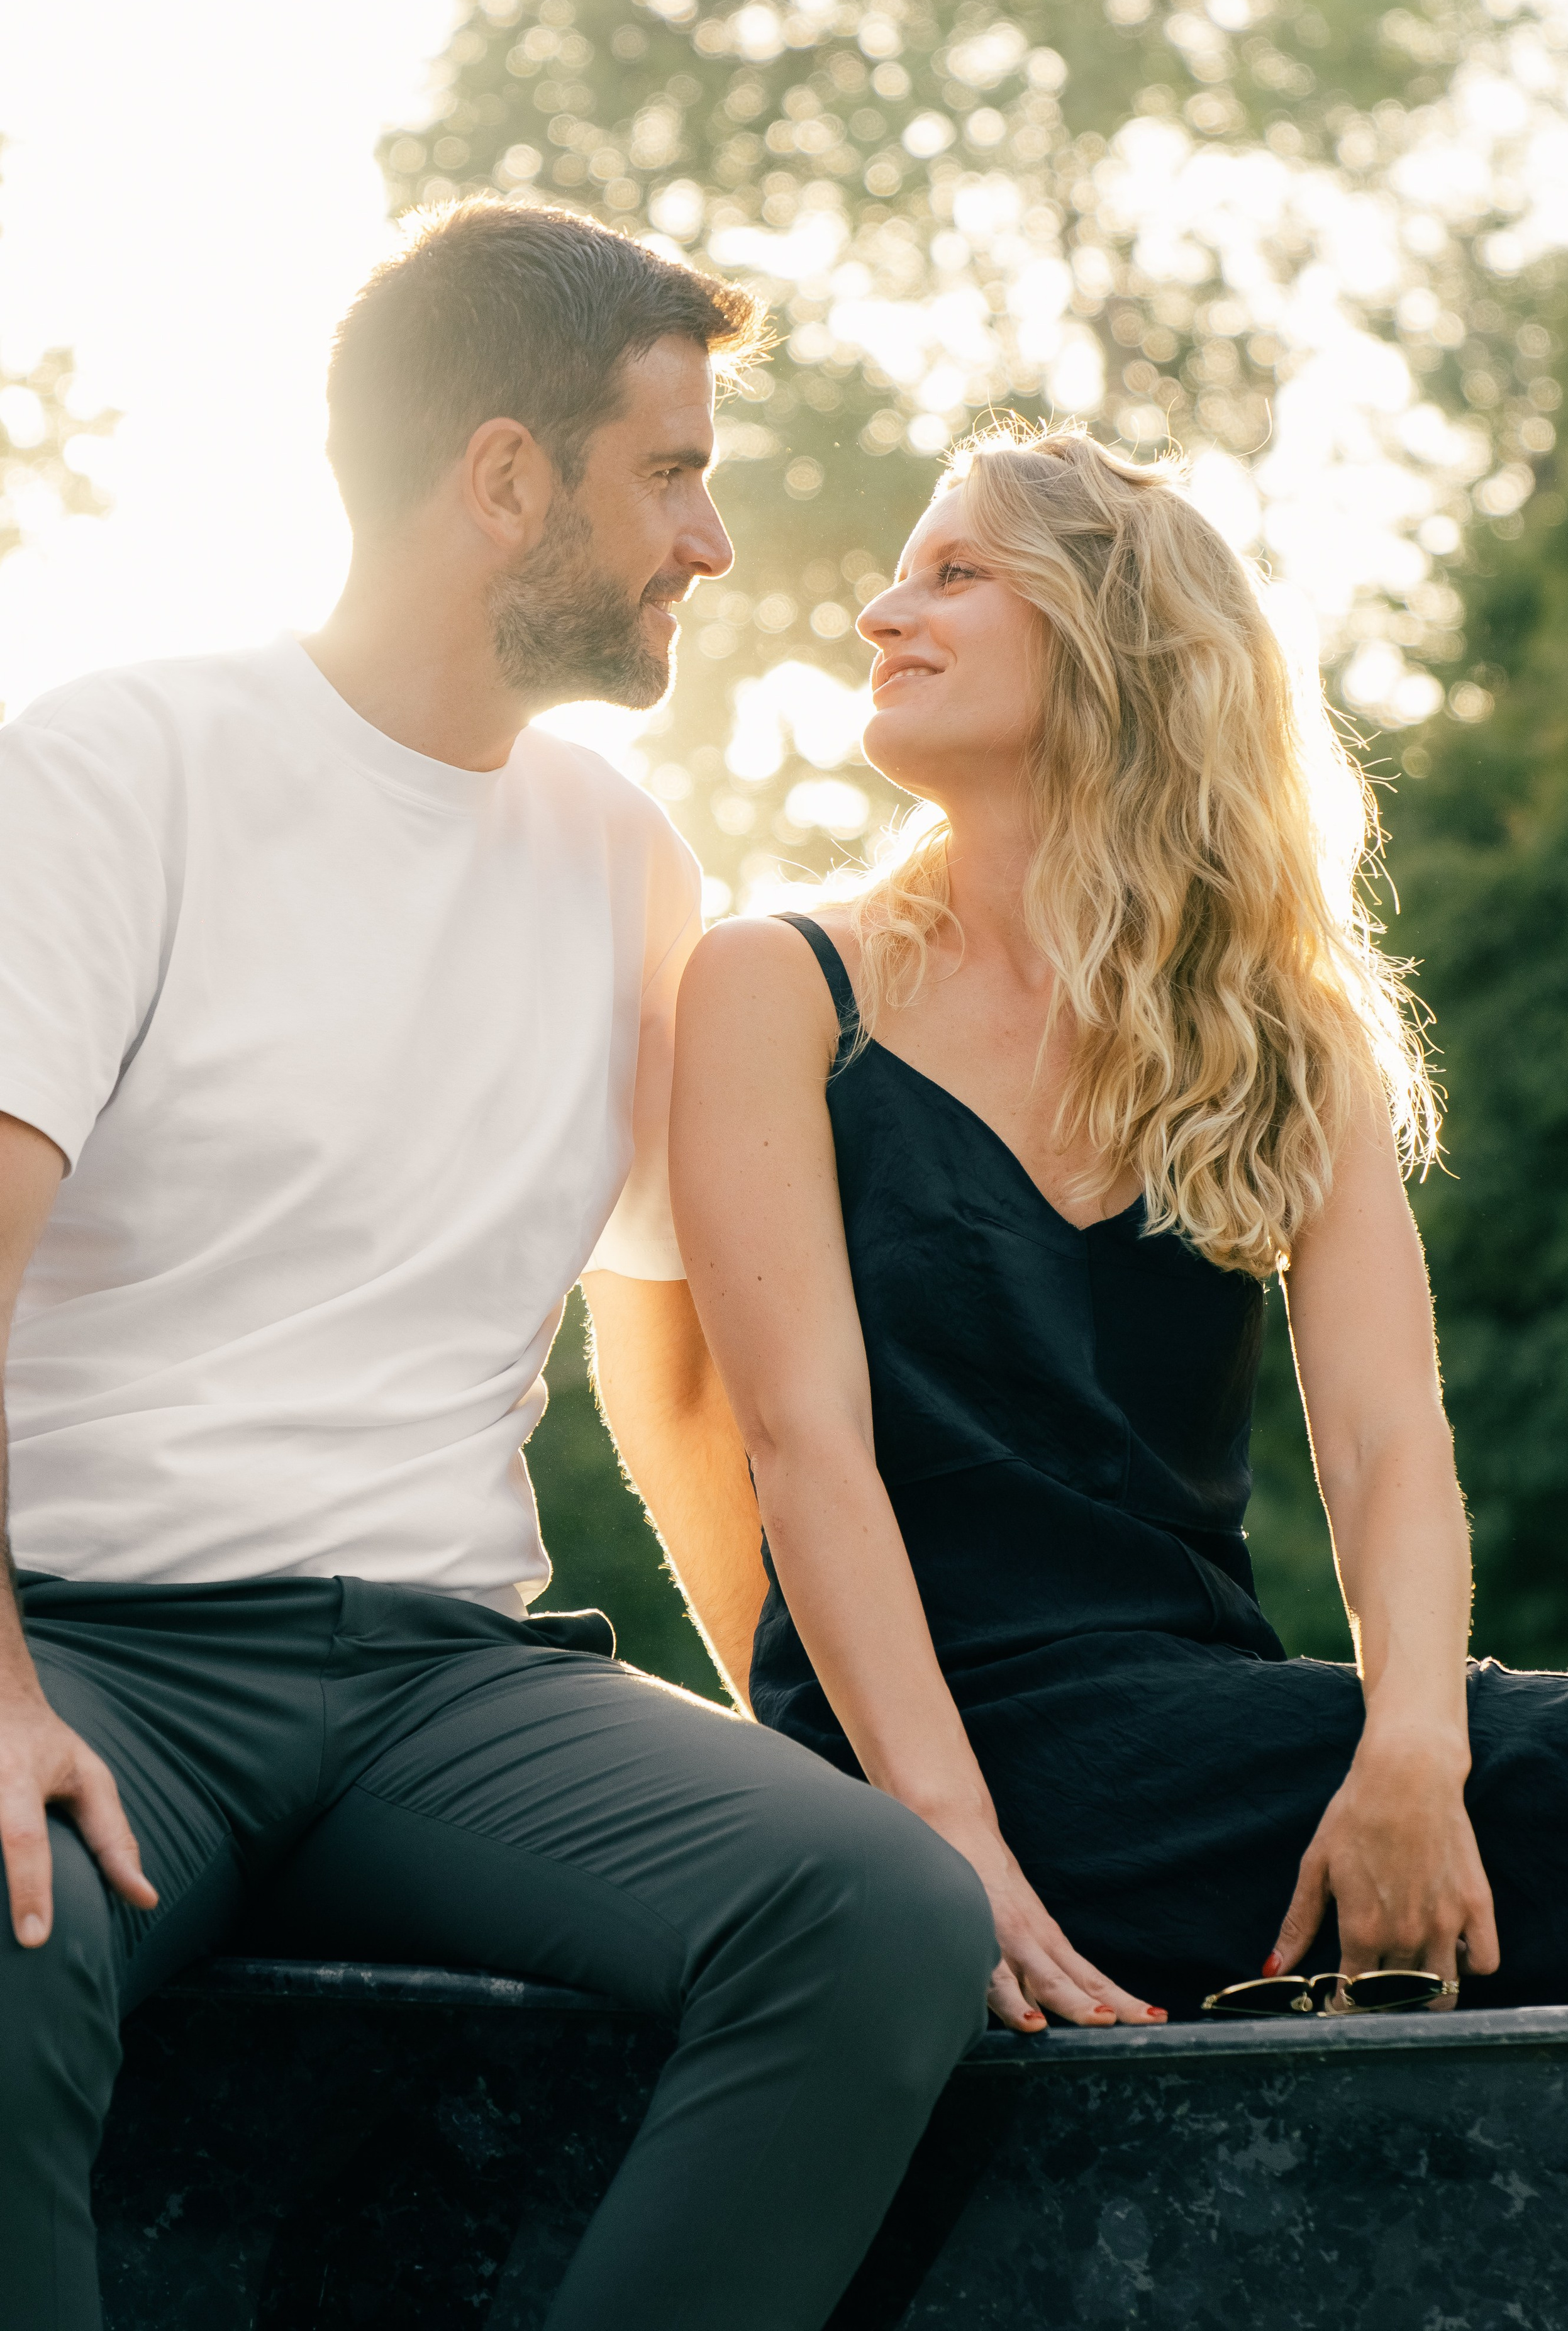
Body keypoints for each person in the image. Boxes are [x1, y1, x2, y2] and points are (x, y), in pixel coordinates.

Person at [0, 199, 998, 2331]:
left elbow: (673, 1371)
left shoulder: (626, 858)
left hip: (454, 1683)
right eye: (672, 470)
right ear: (506, 478)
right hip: (96, 1644)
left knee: (880, 1909)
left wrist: (786, 1723)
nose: (712, 542)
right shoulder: (116, 768)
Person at [671, 421, 1568, 2037]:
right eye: (899, 575)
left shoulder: (1283, 1029)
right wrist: (950, 1849)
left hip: (1196, 1726)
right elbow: (796, 1443)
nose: (880, 614)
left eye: (953, 570)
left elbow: (1391, 1442)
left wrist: (1407, 1748)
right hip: (919, 1746)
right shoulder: (776, 981)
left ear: (1116, 635)